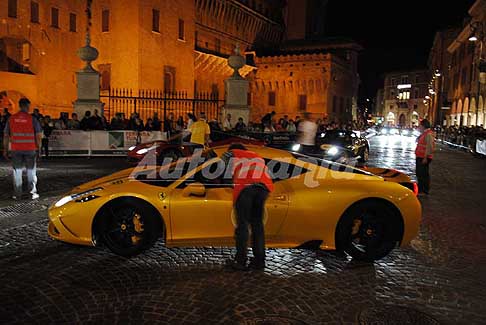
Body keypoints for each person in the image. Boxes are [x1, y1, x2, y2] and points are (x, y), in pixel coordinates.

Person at [223, 143, 274, 271]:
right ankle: (259, 261)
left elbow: (220, 170)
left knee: (242, 225)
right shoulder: (257, 156)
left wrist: (228, 183)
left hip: (246, 188)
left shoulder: (231, 153)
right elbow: (269, 174)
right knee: (257, 225)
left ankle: (240, 261)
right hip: (264, 189)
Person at [2, 98, 42, 200]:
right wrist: (39, 149)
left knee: (17, 172)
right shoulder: (32, 119)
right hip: (30, 149)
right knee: (31, 171)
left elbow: (6, 135)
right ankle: (32, 193)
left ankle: (17, 194)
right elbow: (38, 135)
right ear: (28, 106)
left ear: (19, 106)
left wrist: (5, 149)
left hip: (16, 149)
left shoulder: (11, 119)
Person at [415, 119, 435, 195]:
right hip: (421, 156)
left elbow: (429, 147)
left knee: (423, 174)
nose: (419, 127)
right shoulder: (425, 133)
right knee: (419, 173)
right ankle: (421, 188)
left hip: (424, 157)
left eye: (420, 125)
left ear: (423, 126)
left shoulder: (428, 134)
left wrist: (425, 157)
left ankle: (424, 190)